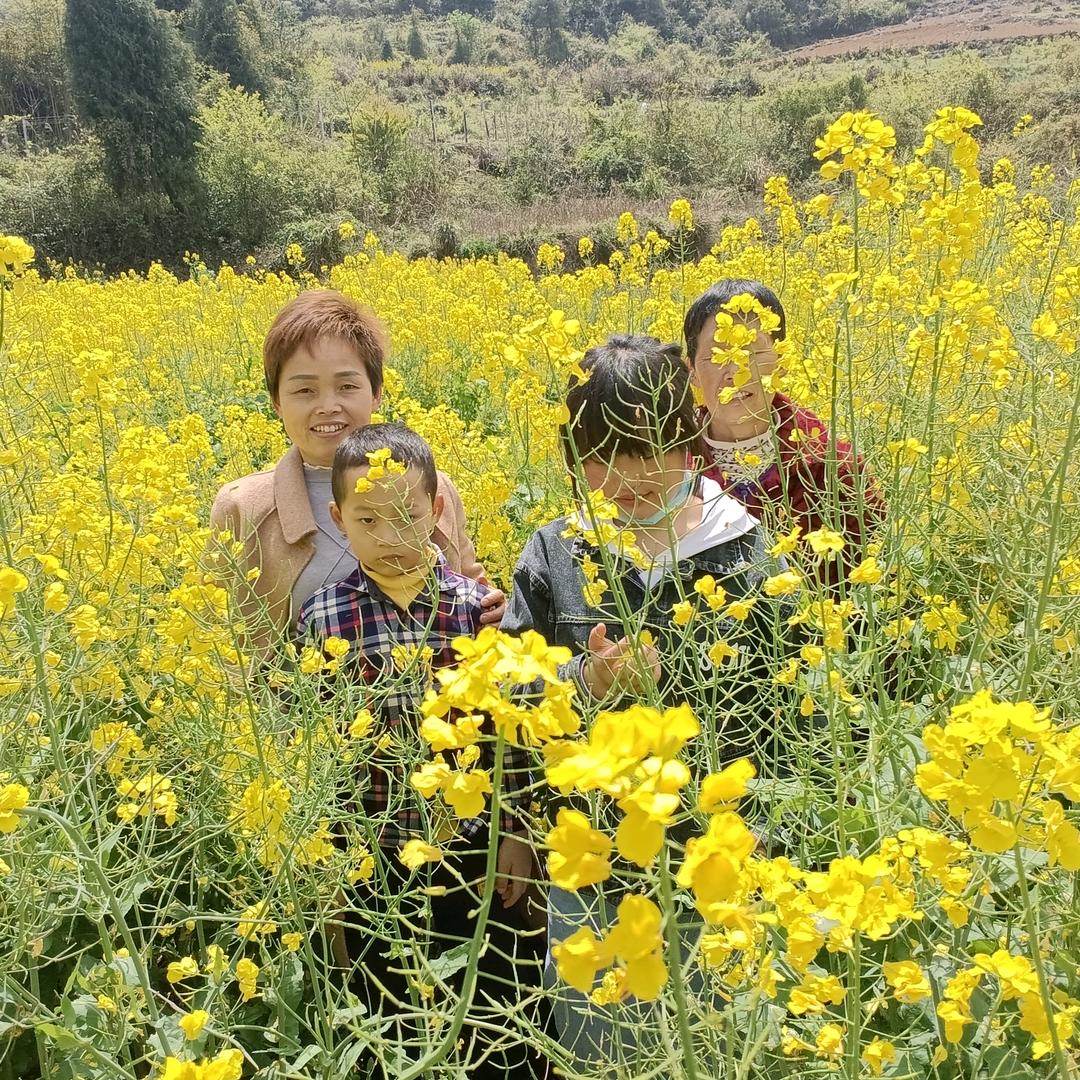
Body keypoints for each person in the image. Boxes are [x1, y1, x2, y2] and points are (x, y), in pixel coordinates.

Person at [500, 334, 792, 1069]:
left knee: (716, 1047)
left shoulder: (742, 546)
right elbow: (511, 690)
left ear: (692, 440)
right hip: (593, 864)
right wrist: (583, 686)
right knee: (601, 1046)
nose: (627, 475)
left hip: (716, 858)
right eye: (602, 453)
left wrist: (769, 833)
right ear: (572, 456)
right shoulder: (555, 551)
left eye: (648, 448)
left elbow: (783, 710)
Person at [296, 422, 537, 1079]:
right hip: (377, 850)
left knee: (493, 1002)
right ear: (339, 519)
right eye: (368, 519)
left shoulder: (477, 611)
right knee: (387, 1006)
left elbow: (508, 734)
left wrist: (514, 834)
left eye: (406, 516)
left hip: (474, 849)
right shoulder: (323, 616)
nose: (389, 535)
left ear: (436, 512)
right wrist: (332, 853)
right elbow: (319, 747)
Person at [208, 289, 504, 657]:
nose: (328, 406)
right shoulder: (244, 508)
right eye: (304, 390)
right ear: (276, 402)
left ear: (376, 392)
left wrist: (496, 612)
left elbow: (472, 588)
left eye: (347, 386)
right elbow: (222, 644)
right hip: (307, 711)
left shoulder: (434, 485)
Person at [683, 278, 884, 576]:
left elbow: (875, 572)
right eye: (717, 355)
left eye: (752, 352)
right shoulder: (666, 467)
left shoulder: (833, 464)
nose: (736, 371)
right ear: (692, 372)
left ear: (783, 361)